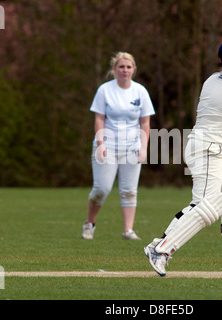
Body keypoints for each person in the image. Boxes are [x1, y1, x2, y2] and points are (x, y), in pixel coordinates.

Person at [144, 36, 222, 276]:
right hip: (209, 150)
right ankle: (160, 249)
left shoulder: (215, 79)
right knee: (206, 207)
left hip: (216, 149)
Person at [82, 52, 155, 241]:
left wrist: (143, 147)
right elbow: (99, 118)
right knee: (101, 189)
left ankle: (128, 231)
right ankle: (89, 223)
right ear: (114, 69)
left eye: (128, 67)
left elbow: (145, 123)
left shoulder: (140, 91)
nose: (125, 70)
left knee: (129, 190)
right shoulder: (104, 90)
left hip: (132, 147)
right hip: (108, 146)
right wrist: (101, 144)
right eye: (121, 67)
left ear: (134, 70)